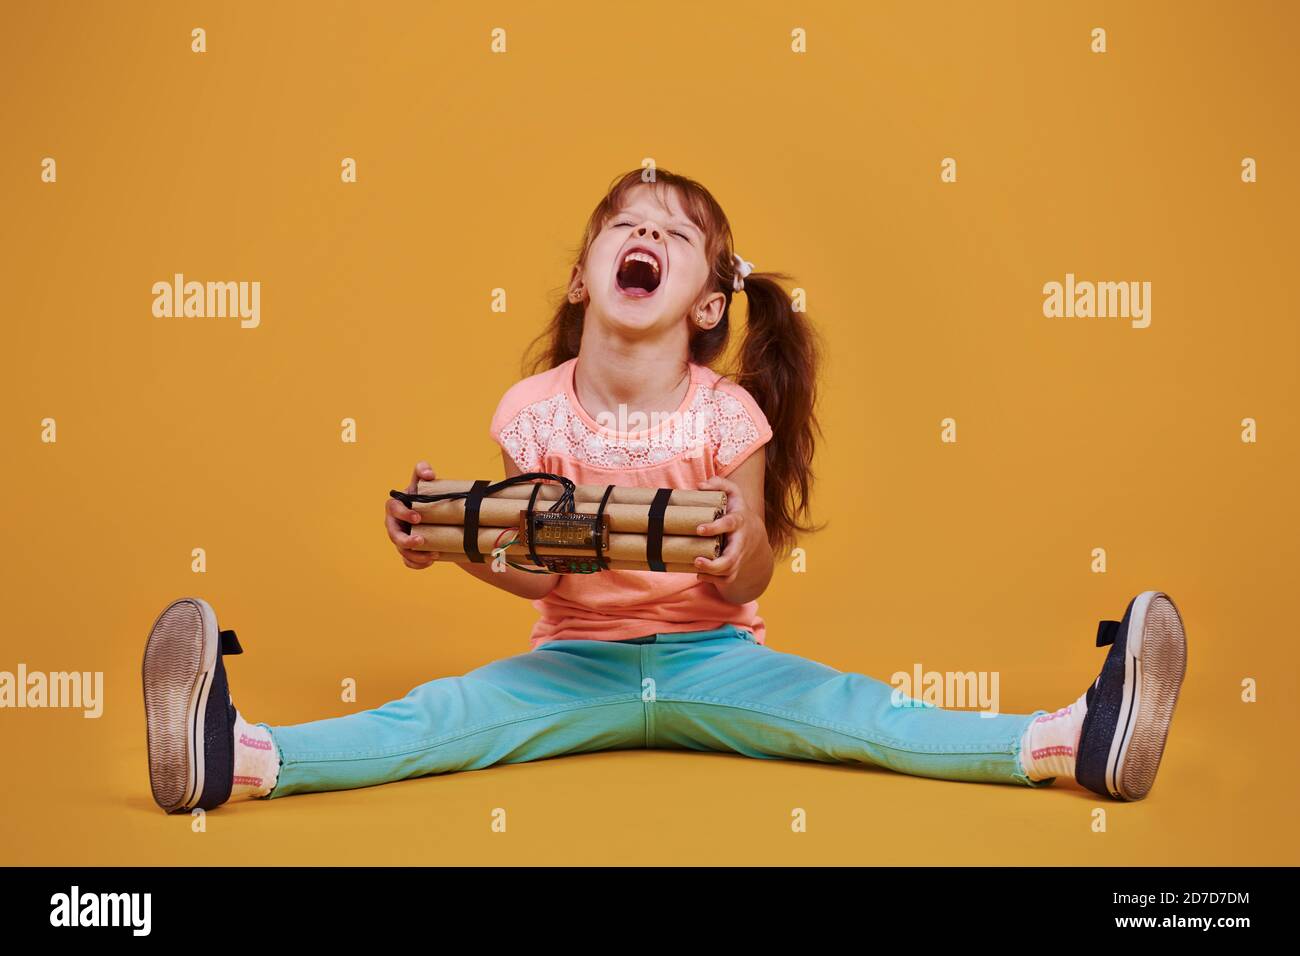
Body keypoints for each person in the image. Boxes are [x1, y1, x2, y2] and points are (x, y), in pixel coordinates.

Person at [141, 168, 1187, 814]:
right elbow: (531, 570)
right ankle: (236, 756)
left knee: (860, 710)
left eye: (678, 235)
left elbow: (749, 575)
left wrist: (738, 554)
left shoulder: (727, 415)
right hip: (572, 665)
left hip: (715, 656)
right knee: (438, 715)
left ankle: (1070, 739)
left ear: (706, 305)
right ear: (582, 277)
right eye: (626, 224)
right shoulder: (532, 411)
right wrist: (457, 539)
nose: (648, 234)